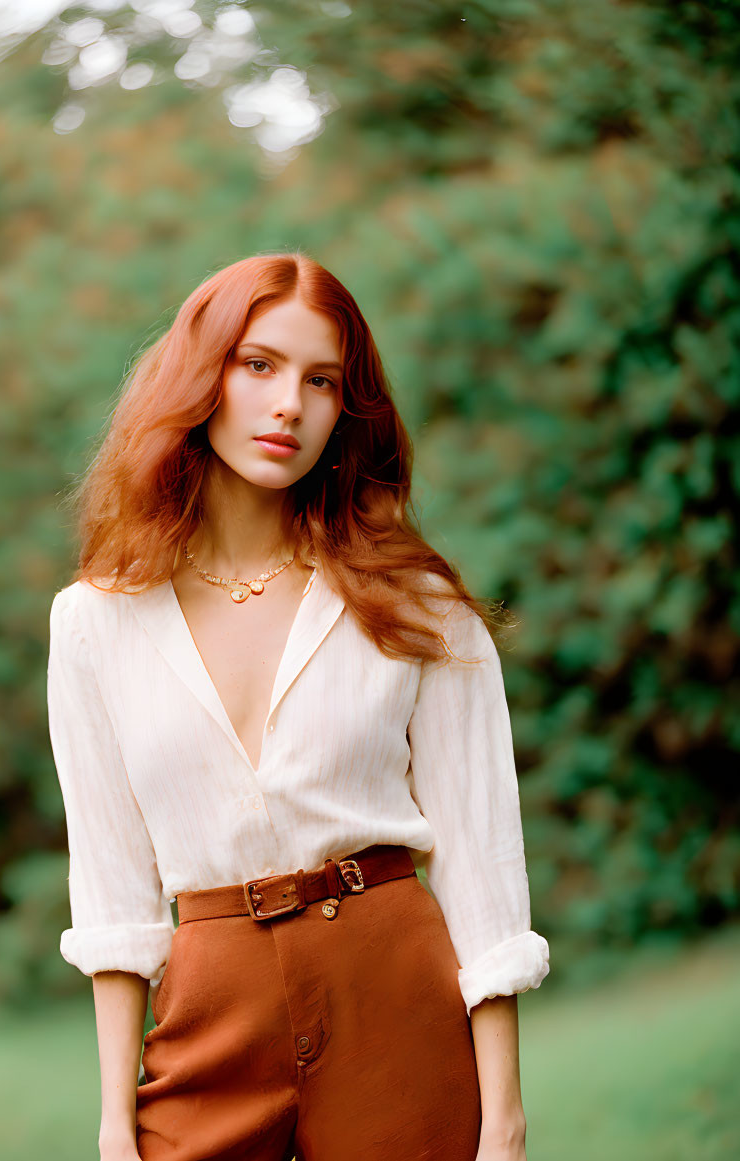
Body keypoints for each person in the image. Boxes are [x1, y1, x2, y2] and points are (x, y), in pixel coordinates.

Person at [47, 251, 550, 1161]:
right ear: (202, 375)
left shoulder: (417, 604)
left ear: (345, 412)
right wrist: (116, 1120)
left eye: (321, 381)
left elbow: (481, 859)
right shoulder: (94, 622)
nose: (289, 405)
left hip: (393, 1001)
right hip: (209, 1017)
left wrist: (503, 1121)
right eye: (259, 365)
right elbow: (112, 888)